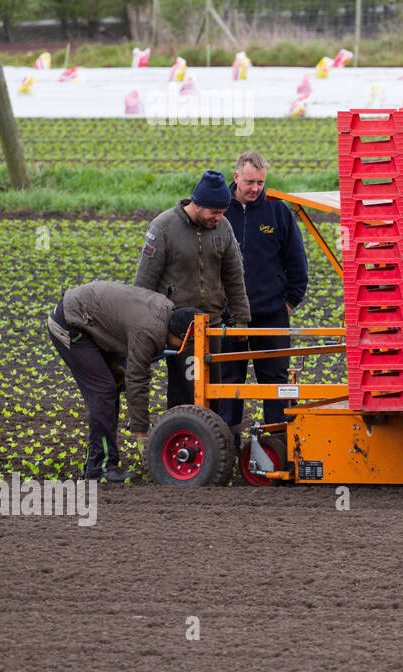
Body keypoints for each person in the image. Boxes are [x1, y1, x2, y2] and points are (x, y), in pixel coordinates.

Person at [47, 282, 203, 482]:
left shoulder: (166, 312)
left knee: (113, 385)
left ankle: (97, 460)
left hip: (89, 317)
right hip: (71, 322)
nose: (187, 348)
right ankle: (100, 467)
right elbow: (137, 380)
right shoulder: (149, 332)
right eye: (189, 343)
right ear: (181, 336)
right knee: (103, 391)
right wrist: (142, 436)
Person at [135, 170, 251, 410]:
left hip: (211, 323)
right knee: (185, 389)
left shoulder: (223, 228)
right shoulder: (163, 227)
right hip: (178, 327)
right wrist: (143, 327)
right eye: (214, 212)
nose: (219, 218)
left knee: (212, 389)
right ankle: (180, 436)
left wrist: (241, 317)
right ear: (197, 205)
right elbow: (144, 283)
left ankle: (211, 438)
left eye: (223, 212)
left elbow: (234, 275)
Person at [219, 151, 309, 434]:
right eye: (249, 182)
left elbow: (297, 261)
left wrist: (289, 302)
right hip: (229, 316)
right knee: (228, 381)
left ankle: (277, 442)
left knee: (275, 381)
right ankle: (226, 443)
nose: (255, 188)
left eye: (260, 182)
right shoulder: (220, 211)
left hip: (271, 315)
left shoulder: (277, 210)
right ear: (236, 178)